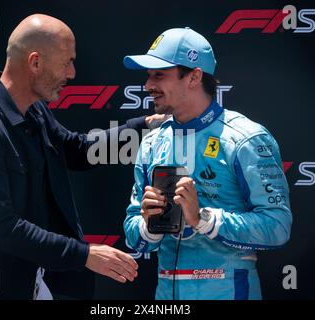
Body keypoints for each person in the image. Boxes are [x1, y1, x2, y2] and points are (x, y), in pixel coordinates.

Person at [0, 14, 165, 300]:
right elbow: (2, 228)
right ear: (35, 63)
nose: (72, 73)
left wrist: (144, 127)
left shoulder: (34, 110)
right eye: (67, 62)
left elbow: (77, 150)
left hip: (32, 284)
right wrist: (84, 255)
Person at [123, 27, 292, 300]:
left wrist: (202, 218)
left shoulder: (245, 138)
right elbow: (134, 234)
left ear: (194, 77)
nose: (148, 86)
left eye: (159, 75)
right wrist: (148, 223)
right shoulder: (152, 143)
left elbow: (278, 225)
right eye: (148, 75)